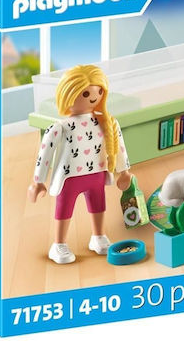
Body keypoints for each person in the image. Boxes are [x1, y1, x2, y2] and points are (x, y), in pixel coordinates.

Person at [28, 64, 132, 264]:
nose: (94, 97)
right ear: (68, 95)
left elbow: (119, 146)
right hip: (70, 177)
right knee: (64, 208)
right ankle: (58, 244)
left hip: (97, 173)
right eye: (86, 93)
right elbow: (45, 152)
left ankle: (98, 236)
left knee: (98, 205)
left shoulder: (108, 123)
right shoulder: (61, 127)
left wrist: (124, 171)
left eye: (99, 91)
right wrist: (38, 181)